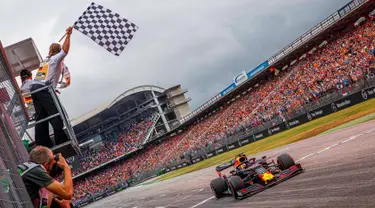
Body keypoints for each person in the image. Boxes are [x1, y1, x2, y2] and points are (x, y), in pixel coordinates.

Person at [30, 26, 73, 148]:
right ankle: (61, 141)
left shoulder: (46, 60)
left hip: (35, 88)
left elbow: (47, 76)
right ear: (58, 51)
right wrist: (68, 35)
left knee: (41, 117)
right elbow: (65, 50)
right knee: (56, 115)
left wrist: (53, 88)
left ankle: (42, 143)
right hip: (44, 89)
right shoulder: (55, 59)